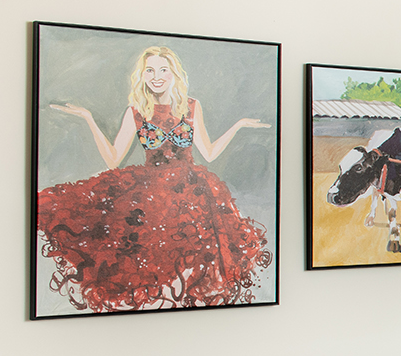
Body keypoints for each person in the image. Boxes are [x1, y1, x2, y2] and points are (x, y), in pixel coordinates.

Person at [38, 45, 272, 311]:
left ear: (174, 74)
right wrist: (88, 118)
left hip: (192, 197)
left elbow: (208, 153)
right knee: (150, 264)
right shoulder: (136, 111)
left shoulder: (191, 107)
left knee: (193, 268)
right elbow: (114, 159)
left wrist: (238, 126)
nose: (156, 76)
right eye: (150, 70)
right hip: (152, 199)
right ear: (142, 75)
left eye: (163, 69)